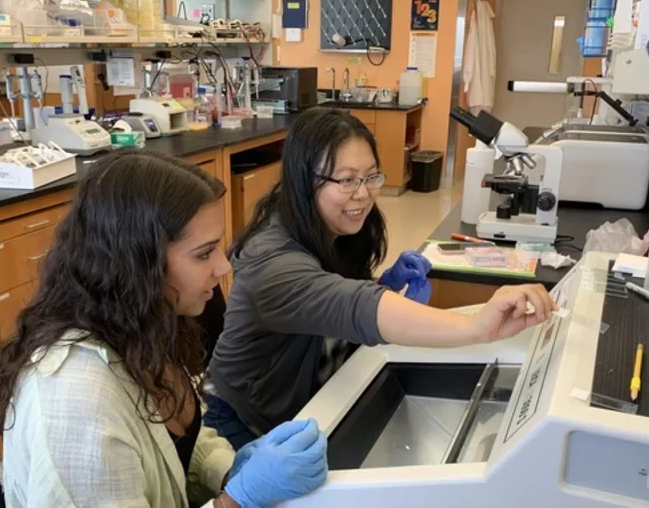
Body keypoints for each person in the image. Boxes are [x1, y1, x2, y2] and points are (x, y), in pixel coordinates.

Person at [0, 150, 327, 508]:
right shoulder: (74, 400)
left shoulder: (137, 322)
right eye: (204, 252)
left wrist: (229, 467)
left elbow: (173, 435)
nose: (223, 266)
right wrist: (238, 504)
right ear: (136, 259)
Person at [206, 108, 556, 448]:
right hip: (242, 421)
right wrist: (476, 327)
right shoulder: (269, 260)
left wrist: (382, 286)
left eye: (371, 176)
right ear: (303, 181)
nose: (362, 194)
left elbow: (333, 304)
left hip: (306, 401)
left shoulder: (335, 226)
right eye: (346, 180)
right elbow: (348, 305)